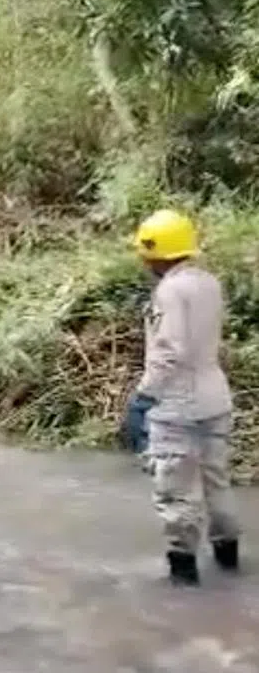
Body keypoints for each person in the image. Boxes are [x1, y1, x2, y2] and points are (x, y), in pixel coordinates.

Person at [128, 209, 241, 586]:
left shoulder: (170, 291)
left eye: (145, 253)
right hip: (215, 397)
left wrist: (144, 398)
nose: (142, 260)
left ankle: (183, 576)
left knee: (176, 490)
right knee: (216, 482)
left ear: (157, 253)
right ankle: (229, 561)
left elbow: (169, 352)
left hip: (177, 404)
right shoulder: (208, 283)